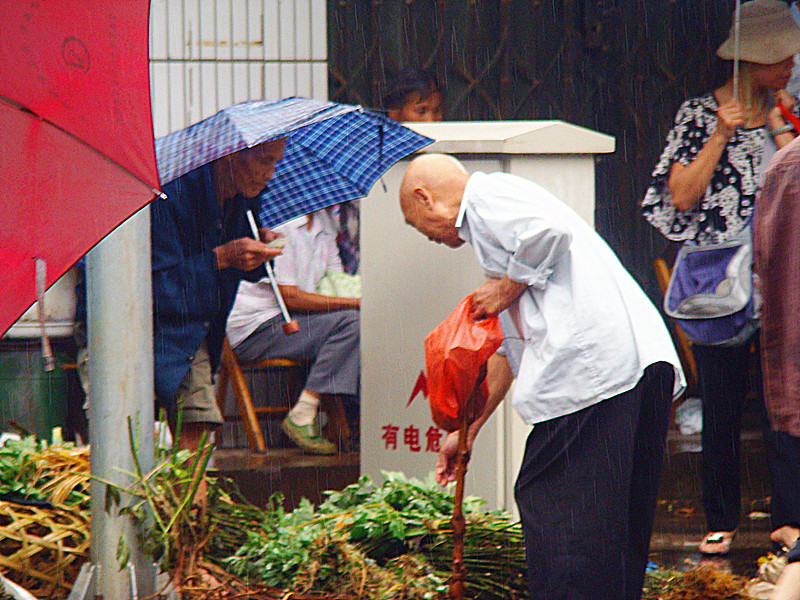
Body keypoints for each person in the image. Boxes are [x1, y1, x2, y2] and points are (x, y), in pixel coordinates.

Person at [399, 153, 685, 600]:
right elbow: (512, 347)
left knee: (559, 515)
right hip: (632, 368)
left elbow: (550, 234)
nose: (429, 238)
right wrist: (468, 430)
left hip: (593, 374)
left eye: (418, 225)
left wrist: (508, 286)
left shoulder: (488, 196)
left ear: (425, 198)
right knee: (612, 529)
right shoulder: (499, 230)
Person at [641, 0, 800, 556]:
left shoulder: (788, 114)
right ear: (749, 61)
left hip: (781, 277)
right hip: (720, 283)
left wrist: (780, 126)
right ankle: (721, 517)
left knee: (786, 397)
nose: (788, 66)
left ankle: (790, 518)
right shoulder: (698, 115)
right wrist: (719, 136)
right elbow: (680, 197)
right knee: (724, 403)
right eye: (778, 58)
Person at [151, 139, 286, 453]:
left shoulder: (244, 197)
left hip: (195, 325)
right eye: (265, 160)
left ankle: (190, 503)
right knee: (127, 431)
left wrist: (260, 250)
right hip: (142, 321)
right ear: (230, 155)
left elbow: (248, 272)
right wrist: (221, 257)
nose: (270, 174)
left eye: (276, 162)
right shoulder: (171, 194)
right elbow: (160, 289)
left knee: (196, 430)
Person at [226, 208, 360, 455]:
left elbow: (334, 277)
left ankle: (342, 420)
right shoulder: (281, 223)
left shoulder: (323, 221)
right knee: (351, 324)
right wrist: (354, 303)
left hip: (295, 320)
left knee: (356, 323)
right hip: (257, 327)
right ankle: (304, 413)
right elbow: (290, 296)